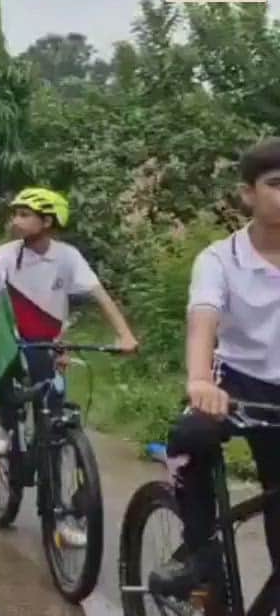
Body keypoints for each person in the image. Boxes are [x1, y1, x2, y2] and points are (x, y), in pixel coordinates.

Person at [151, 139, 280, 594]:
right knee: (191, 434)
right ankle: (200, 554)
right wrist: (200, 379)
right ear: (248, 194)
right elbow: (202, 320)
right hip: (235, 384)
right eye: (276, 184)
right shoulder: (219, 259)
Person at [0, 187, 140, 457]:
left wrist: (125, 335)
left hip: (50, 342)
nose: (15, 221)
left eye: (24, 215)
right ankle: (5, 426)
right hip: (13, 339)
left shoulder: (68, 256)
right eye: (15, 215)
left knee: (54, 405)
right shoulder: (2, 256)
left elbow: (99, 294)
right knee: (6, 384)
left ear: (47, 222)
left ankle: (58, 473)